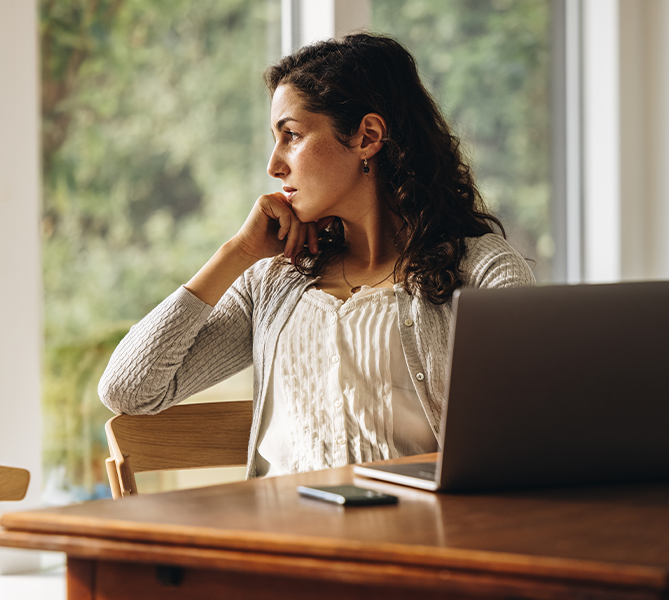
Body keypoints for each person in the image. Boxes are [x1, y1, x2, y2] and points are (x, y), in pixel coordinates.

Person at [98, 34, 535, 478]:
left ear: (367, 136)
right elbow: (128, 390)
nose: (274, 165)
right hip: (282, 522)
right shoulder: (272, 283)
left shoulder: (480, 271)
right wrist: (238, 252)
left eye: (291, 135)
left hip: (422, 522)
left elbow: (526, 430)